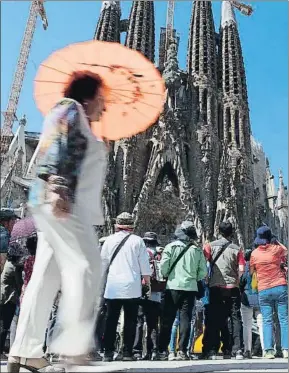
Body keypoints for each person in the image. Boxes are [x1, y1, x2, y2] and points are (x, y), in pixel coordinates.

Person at [8, 71, 108, 373]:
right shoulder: (70, 109)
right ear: (89, 97)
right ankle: (72, 347)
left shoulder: (82, 121)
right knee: (88, 268)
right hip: (65, 204)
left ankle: (24, 350)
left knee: (45, 278)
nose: (104, 108)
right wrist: (58, 183)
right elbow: (58, 143)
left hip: (56, 204)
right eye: (102, 100)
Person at [101, 213, 151, 362]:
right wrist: (147, 283)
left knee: (111, 320)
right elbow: (145, 266)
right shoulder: (138, 241)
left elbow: (102, 264)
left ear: (117, 225)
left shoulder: (109, 240)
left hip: (113, 286)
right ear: (131, 226)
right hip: (132, 286)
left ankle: (108, 352)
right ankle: (127, 352)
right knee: (131, 320)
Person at [158, 221, 207, 361]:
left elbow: (163, 268)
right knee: (185, 319)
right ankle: (182, 351)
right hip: (190, 288)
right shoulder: (196, 250)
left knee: (168, 319)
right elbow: (203, 272)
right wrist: (192, 277)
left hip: (172, 287)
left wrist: (169, 275)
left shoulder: (170, 247)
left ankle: (163, 350)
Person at [203, 221, 245, 360]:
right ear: (231, 232)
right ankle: (236, 349)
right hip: (232, 287)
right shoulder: (237, 249)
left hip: (215, 286)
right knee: (235, 317)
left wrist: (207, 280)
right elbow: (241, 269)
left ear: (218, 231)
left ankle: (212, 350)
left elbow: (205, 265)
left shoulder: (209, 246)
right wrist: (237, 281)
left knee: (214, 318)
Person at [250, 226, 288, 359]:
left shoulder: (254, 254)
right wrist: (275, 240)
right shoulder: (277, 249)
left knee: (267, 320)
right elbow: (286, 250)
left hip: (264, 289)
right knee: (283, 320)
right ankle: (285, 349)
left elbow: (251, 271)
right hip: (280, 286)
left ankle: (268, 350)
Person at [133, 232, 163, 361]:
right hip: (155, 292)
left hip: (141, 291)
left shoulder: (141, 253)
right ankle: (153, 350)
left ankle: (137, 351)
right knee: (153, 323)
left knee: (139, 322)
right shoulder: (159, 254)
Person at [0, 243, 25, 357]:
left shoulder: (8, 263)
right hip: (8, 299)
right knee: (5, 326)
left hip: (5, 297)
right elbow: (20, 283)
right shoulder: (14, 266)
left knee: (4, 325)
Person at [239, 248, 263, 359]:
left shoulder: (245, 267)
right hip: (259, 297)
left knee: (246, 326)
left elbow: (241, 282)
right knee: (262, 324)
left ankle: (247, 350)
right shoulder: (260, 265)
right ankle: (266, 349)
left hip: (247, 298)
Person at [0, 209, 18, 274]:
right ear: (5, 223)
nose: (14, 224)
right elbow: (3, 262)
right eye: (12, 221)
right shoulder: (4, 236)